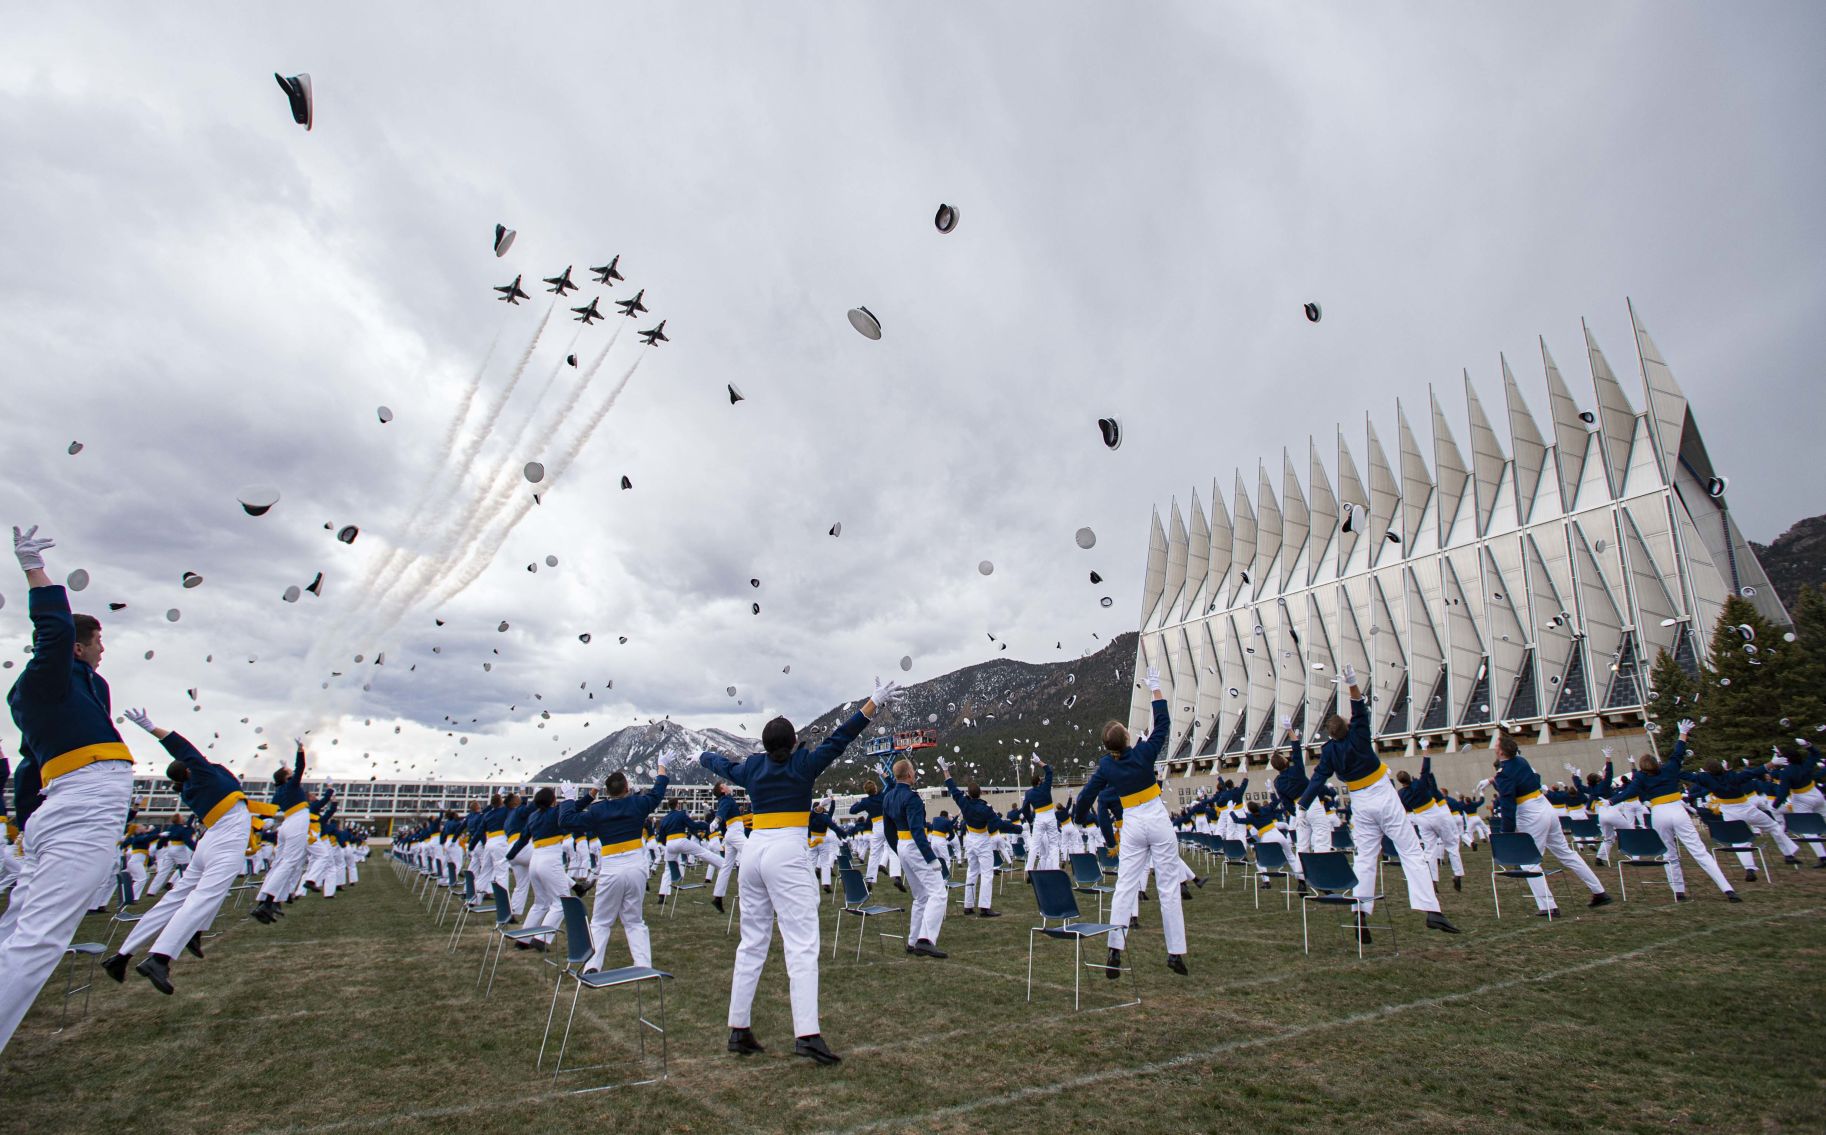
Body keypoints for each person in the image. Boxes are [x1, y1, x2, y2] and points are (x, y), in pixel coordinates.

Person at [698, 677, 901, 1065]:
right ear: (792, 743)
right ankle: (806, 1034)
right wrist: (872, 703)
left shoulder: (753, 767)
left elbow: (723, 765)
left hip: (754, 851)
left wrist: (701, 757)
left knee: (752, 941)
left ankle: (738, 1028)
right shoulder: (804, 763)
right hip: (788, 850)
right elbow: (841, 737)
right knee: (802, 943)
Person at [0, 526, 138, 1054]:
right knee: (40, 941)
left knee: (19, 928)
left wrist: (28, 827)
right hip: (83, 801)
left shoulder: (80, 686)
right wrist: (34, 569)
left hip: (61, 807)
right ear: (78, 647)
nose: (104, 649)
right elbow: (54, 633)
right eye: (98, 641)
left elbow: (27, 771)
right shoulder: (42, 682)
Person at [1297, 664, 1460, 941]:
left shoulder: (1329, 753)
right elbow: (1360, 708)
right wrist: (1352, 684)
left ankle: (1360, 911)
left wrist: (1303, 804)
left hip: (1360, 802)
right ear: (1347, 728)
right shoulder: (1358, 735)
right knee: (1410, 850)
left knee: (1365, 858)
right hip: (1382, 795)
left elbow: (1317, 779)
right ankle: (1431, 909)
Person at [100, 710, 252, 994]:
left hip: (211, 840)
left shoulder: (191, 788)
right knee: (204, 897)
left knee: (172, 901)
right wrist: (151, 728)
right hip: (226, 839)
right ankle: (160, 958)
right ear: (190, 769)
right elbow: (185, 748)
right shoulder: (204, 775)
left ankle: (121, 956)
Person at [1070, 666, 1189, 976]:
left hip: (1132, 823)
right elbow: (1162, 724)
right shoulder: (1143, 754)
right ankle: (1175, 953)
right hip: (1156, 817)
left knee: (1124, 886)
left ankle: (1114, 949)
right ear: (1125, 738)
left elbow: (1086, 796)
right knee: (1167, 888)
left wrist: (1079, 818)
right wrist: (1156, 690)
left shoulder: (1107, 767)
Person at [1608, 719, 1738, 902]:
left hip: (1659, 813)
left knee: (1669, 853)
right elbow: (1678, 753)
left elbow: (1629, 792)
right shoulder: (1669, 769)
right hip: (1677, 810)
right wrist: (1683, 733)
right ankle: (1727, 889)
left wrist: (1611, 800)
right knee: (1699, 851)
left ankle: (1678, 890)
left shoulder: (1641, 778)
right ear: (1656, 763)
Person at [560, 762, 671, 972]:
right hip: (636, 865)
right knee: (634, 920)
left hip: (611, 866)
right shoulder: (638, 804)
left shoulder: (598, 810)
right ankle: (643, 965)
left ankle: (592, 966)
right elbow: (658, 792)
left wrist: (570, 798)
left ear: (608, 792)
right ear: (627, 788)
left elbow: (566, 820)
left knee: (601, 921)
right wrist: (662, 767)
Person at [1489, 736, 1610, 917]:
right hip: (1544, 807)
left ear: (1500, 752)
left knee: (1529, 862)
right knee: (1566, 853)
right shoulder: (1521, 761)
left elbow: (1508, 803)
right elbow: (1527, 782)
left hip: (1530, 814)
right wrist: (1496, 782)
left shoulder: (1504, 772)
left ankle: (1548, 906)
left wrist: (1507, 833)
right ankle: (1599, 891)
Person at [1682, 757, 1801, 880]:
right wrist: (1772, 763)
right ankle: (1788, 854)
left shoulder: (1705, 778)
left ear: (1707, 771)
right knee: (1774, 827)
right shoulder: (1733, 776)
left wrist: (1669, 767)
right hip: (1746, 808)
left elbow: (1687, 776)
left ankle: (1749, 868)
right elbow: (1755, 772)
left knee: (1739, 841)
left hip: (1729, 812)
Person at [880, 753, 946, 958]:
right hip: (915, 846)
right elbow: (917, 830)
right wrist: (931, 858)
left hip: (902, 845)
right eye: (914, 772)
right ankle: (925, 939)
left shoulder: (888, 796)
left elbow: (887, 829)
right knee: (938, 893)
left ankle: (913, 940)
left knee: (920, 896)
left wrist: (897, 849)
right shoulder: (912, 797)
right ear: (909, 775)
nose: (915, 774)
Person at [504, 787, 567, 951]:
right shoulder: (555, 812)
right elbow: (575, 807)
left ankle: (523, 939)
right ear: (553, 800)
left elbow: (522, 839)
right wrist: (585, 795)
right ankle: (541, 939)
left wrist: (509, 856)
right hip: (550, 859)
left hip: (535, 860)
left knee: (540, 903)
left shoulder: (532, 816)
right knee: (562, 902)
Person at [1397, 756, 1464, 892]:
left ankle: (1432, 879)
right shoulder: (1419, 784)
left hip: (1421, 819)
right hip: (1436, 814)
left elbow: (1406, 807)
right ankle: (1457, 874)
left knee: (1429, 850)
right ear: (1410, 777)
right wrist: (1425, 753)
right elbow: (1425, 771)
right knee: (1451, 845)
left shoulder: (1401, 793)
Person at [942, 770, 1003, 918]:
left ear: (968, 793)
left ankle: (968, 906)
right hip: (982, 839)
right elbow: (996, 823)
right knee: (987, 874)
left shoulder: (964, 803)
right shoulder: (985, 807)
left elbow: (953, 788)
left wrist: (945, 771)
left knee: (972, 872)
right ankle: (984, 907)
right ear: (981, 793)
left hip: (970, 839)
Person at [711, 783, 747, 913]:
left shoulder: (724, 800)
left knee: (726, 866)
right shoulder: (726, 799)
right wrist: (717, 820)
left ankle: (718, 897)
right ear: (722, 790)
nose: (727, 786)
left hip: (731, 834)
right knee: (751, 852)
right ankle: (747, 889)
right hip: (735, 833)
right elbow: (722, 811)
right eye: (725, 785)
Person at [1022, 757, 1060, 874]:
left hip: (1038, 818)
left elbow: (1024, 809)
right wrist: (1039, 762)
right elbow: (1049, 771)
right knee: (1053, 844)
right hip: (1050, 816)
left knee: (1034, 845)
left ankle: (1028, 869)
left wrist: (1030, 820)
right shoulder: (1045, 786)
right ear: (1039, 781)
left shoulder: (1028, 793)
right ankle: (1055, 869)